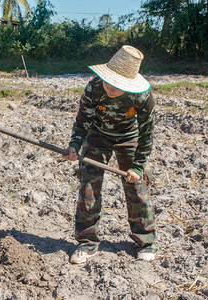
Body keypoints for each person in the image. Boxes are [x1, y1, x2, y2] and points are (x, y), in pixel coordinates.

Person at [63, 45, 157, 264]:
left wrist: (137, 166)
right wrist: (74, 146)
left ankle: (146, 242)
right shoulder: (94, 87)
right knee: (89, 186)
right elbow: (82, 121)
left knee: (137, 186)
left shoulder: (143, 98)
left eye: (116, 85)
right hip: (98, 136)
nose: (109, 87)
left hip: (130, 138)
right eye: (108, 80)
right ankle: (87, 242)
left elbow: (147, 135)